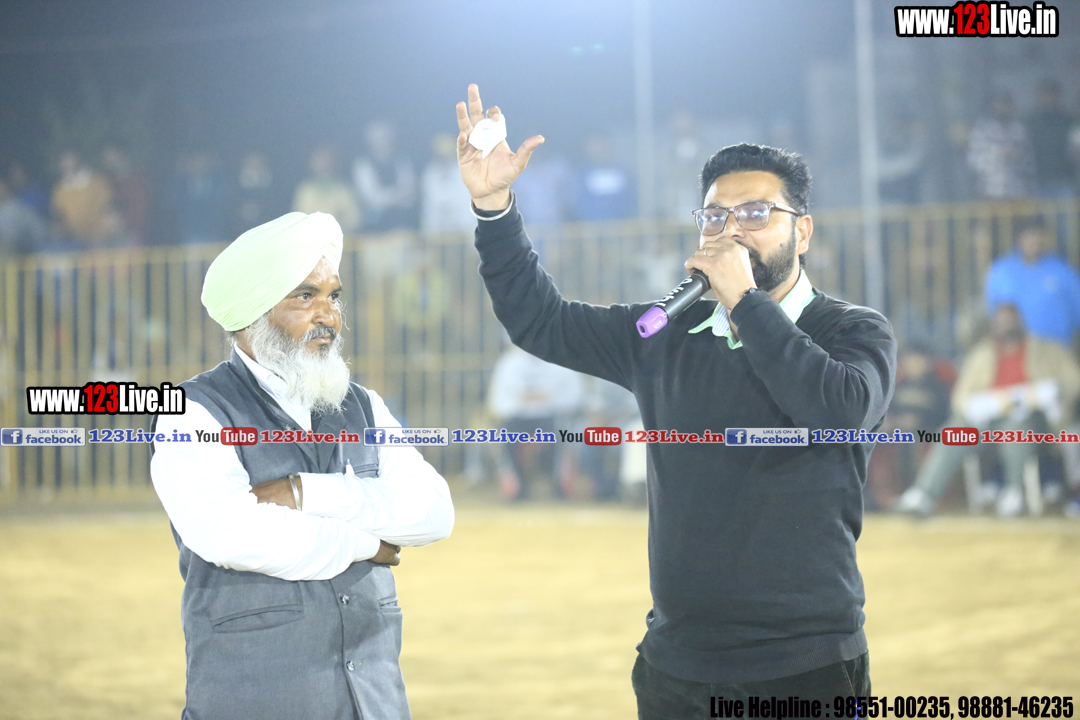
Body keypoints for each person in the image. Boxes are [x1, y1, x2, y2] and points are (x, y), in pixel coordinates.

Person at [455, 85, 894, 712]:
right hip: (678, 666)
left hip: (804, 664)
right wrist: (493, 207)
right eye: (715, 217)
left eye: (756, 214)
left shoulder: (853, 331)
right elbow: (540, 321)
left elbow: (839, 411)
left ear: (803, 232)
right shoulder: (664, 331)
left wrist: (746, 302)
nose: (731, 231)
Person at [150, 211, 454, 720]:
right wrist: (366, 543)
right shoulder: (192, 410)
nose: (329, 316)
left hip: (373, 702)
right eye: (305, 296)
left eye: (334, 296)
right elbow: (231, 534)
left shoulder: (363, 405)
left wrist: (305, 492)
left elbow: (434, 512)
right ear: (254, 312)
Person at [895, 303, 1080, 517]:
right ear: (993, 325)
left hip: (1035, 421)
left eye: (1011, 320)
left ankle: (1015, 492)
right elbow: (960, 397)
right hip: (988, 421)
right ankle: (923, 494)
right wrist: (985, 405)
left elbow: (1074, 382)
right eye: (1001, 321)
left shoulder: (1047, 350)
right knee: (952, 432)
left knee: (1016, 425)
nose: (1006, 326)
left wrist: (1046, 393)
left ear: (1021, 322)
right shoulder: (982, 354)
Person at [985, 217, 1080, 349]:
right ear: (1019, 238)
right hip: (1015, 352)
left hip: (1055, 351)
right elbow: (993, 313)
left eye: (1039, 235)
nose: (1035, 241)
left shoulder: (1063, 272)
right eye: (1029, 236)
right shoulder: (1002, 271)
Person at [967, 93, 1035, 200]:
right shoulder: (982, 129)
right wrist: (998, 154)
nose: (1002, 107)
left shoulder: (1019, 129)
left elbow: (1030, 160)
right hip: (989, 191)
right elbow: (974, 160)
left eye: (1005, 103)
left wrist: (1018, 156)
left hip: (1017, 191)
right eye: (998, 103)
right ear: (991, 106)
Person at [293, 146, 361, 233]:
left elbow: (354, 220)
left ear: (334, 162)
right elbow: (298, 219)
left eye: (327, 159)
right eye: (319, 159)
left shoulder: (342, 189)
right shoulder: (306, 190)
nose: (323, 163)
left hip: (339, 237)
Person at [1027, 80, 1076, 198]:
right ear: (1038, 95)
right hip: (1037, 180)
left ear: (1058, 96)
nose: (1049, 98)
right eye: (1045, 94)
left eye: (1052, 94)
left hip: (1064, 180)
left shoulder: (1069, 121)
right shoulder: (1029, 121)